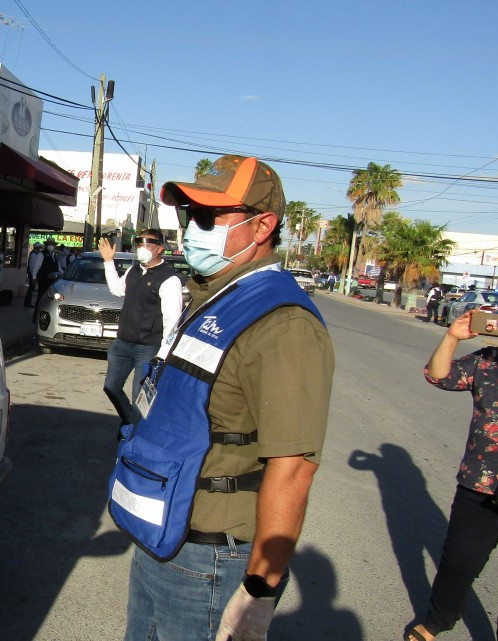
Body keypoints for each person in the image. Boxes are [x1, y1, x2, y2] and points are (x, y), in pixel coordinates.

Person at [121, 155, 335, 641]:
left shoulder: (284, 324)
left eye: (205, 217)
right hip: (161, 534)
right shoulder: (211, 293)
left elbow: (295, 465)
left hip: (210, 558)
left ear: (262, 226)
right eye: (186, 215)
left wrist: (260, 590)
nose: (189, 229)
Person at [406, 294, 498, 641]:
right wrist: (452, 337)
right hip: (480, 484)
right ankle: (437, 621)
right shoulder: (492, 359)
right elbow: (439, 376)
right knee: (458, 563)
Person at [98, 228, 181, 424]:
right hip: (122, 344)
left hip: (148, 347)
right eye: (140, 244)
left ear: (160, 248)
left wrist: (164, 354)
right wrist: (109, 262)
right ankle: (130, 422)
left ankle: (134, 436)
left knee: (140, 396)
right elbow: (117, 290)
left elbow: (172, 320)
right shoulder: (133, 270)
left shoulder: (169, 279)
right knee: (111, 386)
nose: (142, 248)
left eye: (147, 244)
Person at [31, 237, 59, 321]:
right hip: (43, 280)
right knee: (41, 298)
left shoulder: (54, 256)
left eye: (52, 244)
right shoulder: (41, 254)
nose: (51, 246)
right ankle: (36, 318)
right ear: (46, 245)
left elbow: (59, 268)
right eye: (49, 244)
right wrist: (34, 278)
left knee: (50, 300)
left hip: (53, 281)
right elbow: (36, 267)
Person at [24, 241, 44, 307]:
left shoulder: (36, 253)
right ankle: (27, 303)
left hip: (32, 274)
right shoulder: (33, 254)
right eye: (40, 247)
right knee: (31, 289)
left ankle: (28, 302)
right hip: (32, 274)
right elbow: (32, 266)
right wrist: (33, 276)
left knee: (31, 289)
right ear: (37, 247)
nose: (41, 248)